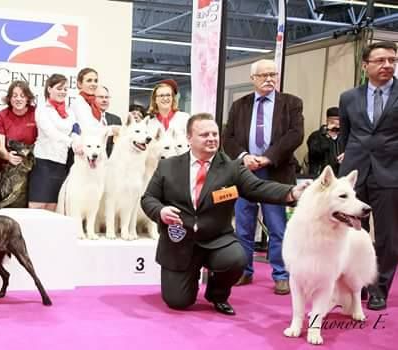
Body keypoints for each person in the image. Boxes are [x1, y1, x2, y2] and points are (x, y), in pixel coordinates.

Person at [141, 113, 306, 316]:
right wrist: (161, 211)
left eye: (215, 134)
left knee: (237, 258)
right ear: (189, 137)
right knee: (178, 302)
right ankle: (188, 278)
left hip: (216, 240)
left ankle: (217, 294)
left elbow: (259, 187)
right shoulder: (168, 166)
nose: (212, 138)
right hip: (179, 242)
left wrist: (291, 192)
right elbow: (148, 199)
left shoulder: (232, 168)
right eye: (204, 134)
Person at [222, 59, 304, 295]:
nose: (269, 79)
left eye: (273, 74)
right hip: (245, 172)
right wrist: (245, 156)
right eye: (264, 75)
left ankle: (281, 274)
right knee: (243, 227)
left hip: (276, 172)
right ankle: (243, 270)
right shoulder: (239, 106)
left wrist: (267, 157)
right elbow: (228, 138)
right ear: (253, 79)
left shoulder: (291, 103)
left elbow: (295, 135)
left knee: (277, 227)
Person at [338, 41, 398, 311]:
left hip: (391, 173)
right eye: (381, 60)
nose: (388, 65)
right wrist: (346, 161)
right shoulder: (349, 97)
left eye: (392, 60)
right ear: (366, 66)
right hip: (354, 172)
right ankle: (354, 284)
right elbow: (346, 135)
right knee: (350, 232)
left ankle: (378, 289)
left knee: (388, 236)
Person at [29, 74, 82, 211]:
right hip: (43, 161)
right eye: (59, 88)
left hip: (61, 163)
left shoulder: (69, 112)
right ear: (49, 89)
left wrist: (77, 140)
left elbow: (75, 129)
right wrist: (71, 142)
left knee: (54, 205)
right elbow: (51, 133)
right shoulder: (42, 110)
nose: (63, 92)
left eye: (65, 89)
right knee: (38, 204)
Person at [0, 80, 38, 167]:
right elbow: (0, 144)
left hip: (32, 162)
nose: (18, 99)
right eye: (14, 96)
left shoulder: (36, 113)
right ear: (9, 98)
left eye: (22, 96)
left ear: (27, 98)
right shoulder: (1, 115)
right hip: (8, 164)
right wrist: (8, 156)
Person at [306, 107, 343, 177]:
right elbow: (315, 152)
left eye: (338, 120)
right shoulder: (316, 136)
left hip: (339, 176)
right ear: (327, 121)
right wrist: (327, 135)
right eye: (332, 121)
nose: (336, 123)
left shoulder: (344, 137)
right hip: (319, 175)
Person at [70, 67, 107, 134]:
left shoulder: (94, 104)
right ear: (79, 84)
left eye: (95, 81)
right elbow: (87, 129)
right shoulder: (78, 103)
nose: (93, 84)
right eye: (89, 81)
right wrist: (111, 130)